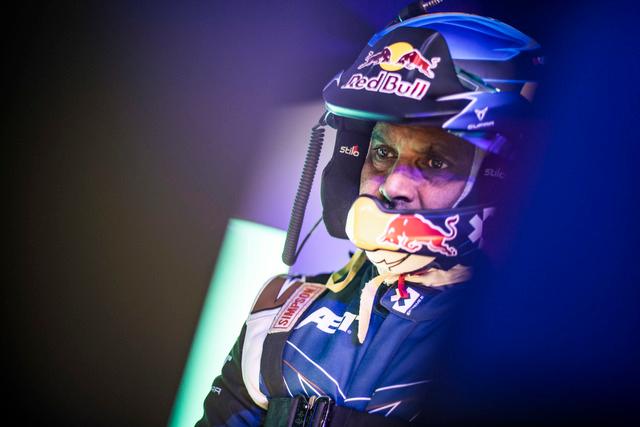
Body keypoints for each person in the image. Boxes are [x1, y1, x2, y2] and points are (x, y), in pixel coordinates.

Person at [196, 5, 543, 426]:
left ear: (497, 178)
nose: (393, 185)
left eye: (435, 162)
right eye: (382, 152)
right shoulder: (281, 314)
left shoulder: (530, 351)